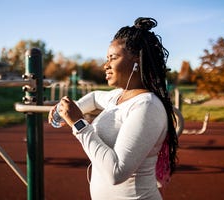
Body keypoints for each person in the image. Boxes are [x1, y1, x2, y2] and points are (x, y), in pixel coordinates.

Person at [48, 17, 178, 200]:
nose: (105, 65)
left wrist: (78, 123)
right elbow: (93, 97)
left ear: (137, 61)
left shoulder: (147, 106)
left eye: (113, 58)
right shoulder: (118, 95)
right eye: (106, 58)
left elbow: (117, 172)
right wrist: (67, 111)